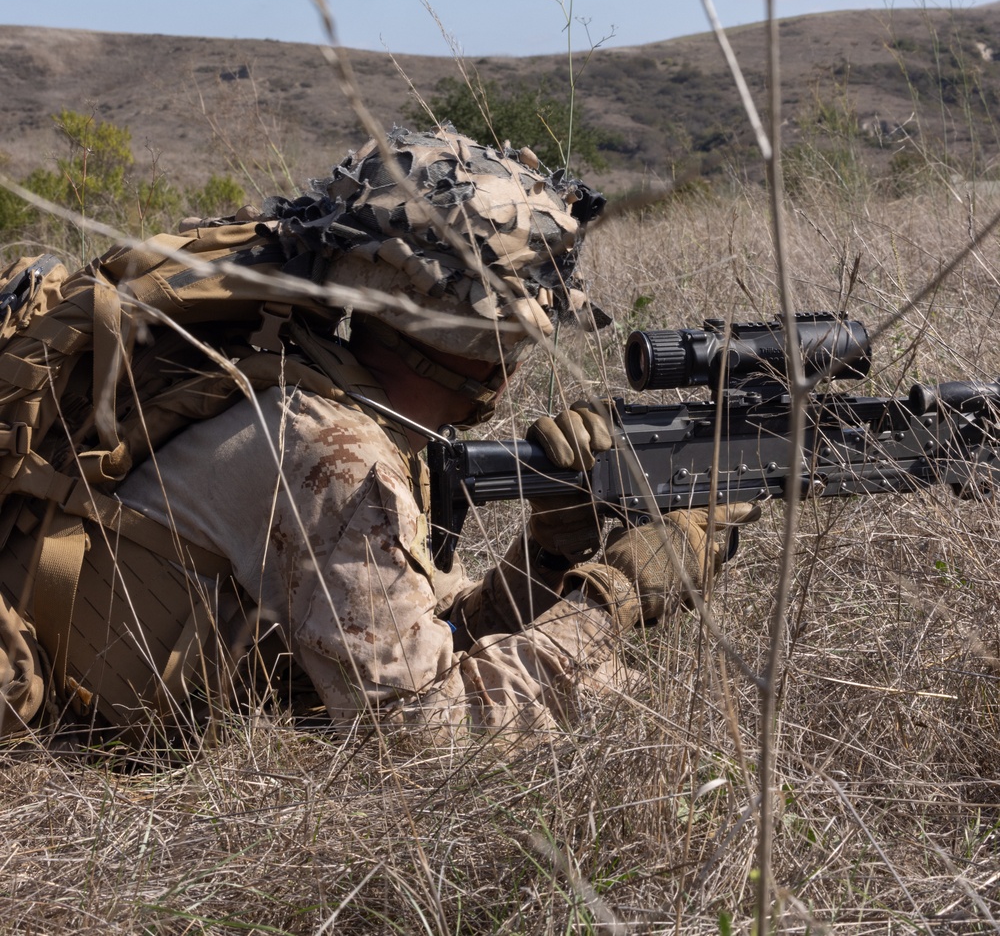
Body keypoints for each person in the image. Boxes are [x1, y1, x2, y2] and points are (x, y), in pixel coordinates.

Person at [2, 126, 756, 738]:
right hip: (83, 733)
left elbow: (415, 635)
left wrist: (551, 553)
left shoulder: (303, 374)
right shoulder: (338, 455)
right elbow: (425, 730)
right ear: (485, 343)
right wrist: (613, 595)